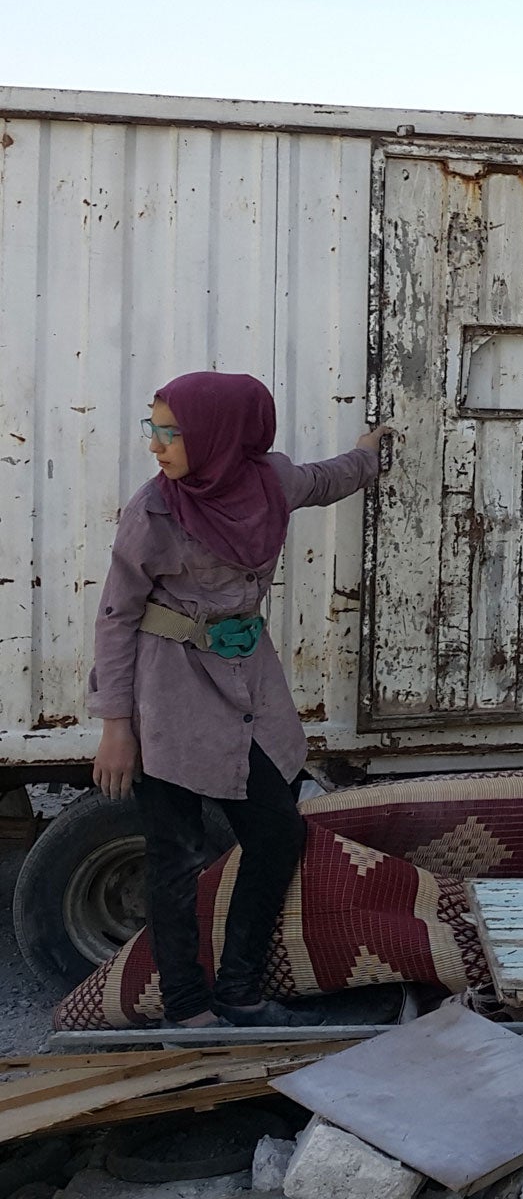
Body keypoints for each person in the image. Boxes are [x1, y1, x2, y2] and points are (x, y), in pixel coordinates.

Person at [88, 374, 393, 1027]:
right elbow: (116, 616)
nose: (157, 445)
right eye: (154, 429)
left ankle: (242, 993)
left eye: (172, 432)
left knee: (278, 832)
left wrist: (369, 452)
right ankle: (188, 1011)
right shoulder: (155, 512)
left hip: (249, 683)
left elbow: (329, 478)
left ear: (222, 435)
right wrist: (116, 725)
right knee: (178, 859)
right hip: (166, 693)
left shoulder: (268, 484)